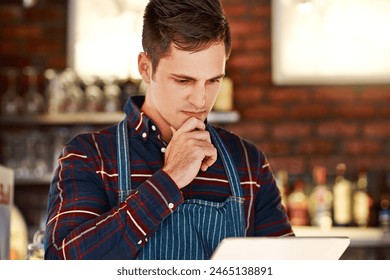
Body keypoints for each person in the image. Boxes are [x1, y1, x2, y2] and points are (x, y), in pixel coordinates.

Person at [44, 0, 294, 260]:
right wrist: (169, 179)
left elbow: (285, 268)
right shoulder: (88, 156)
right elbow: (62, 265)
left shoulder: (249, 163)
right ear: (146, 68)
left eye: (213, 81)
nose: (200, 101)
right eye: (184, 80)